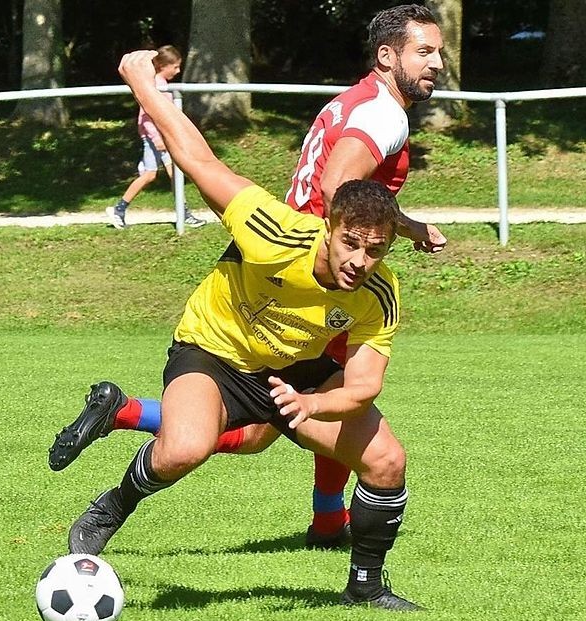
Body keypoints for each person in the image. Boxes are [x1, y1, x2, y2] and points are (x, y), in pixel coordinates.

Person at [50, 4, 446, 550]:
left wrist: (397, 229)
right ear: (387, 56)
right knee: (244, 427)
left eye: (439, 51)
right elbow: (337, 187)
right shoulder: (387, 116)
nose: (439, 63)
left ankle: (339, 540)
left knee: (272, 427)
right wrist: (371, 241)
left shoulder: (358, 101)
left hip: (310, 278)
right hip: (303, 281)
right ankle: (326, 520)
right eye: (425, 51)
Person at [106, 45, 207, 230]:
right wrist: (157, 137)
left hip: (159, 137)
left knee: (150, 175)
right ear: (162, 66)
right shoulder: (157, 85)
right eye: (175, 67)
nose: (178, 71)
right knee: (174, 174)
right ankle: (185, 215)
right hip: (157, 138)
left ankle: (119, 209)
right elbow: (147, 115)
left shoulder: (161, 84)